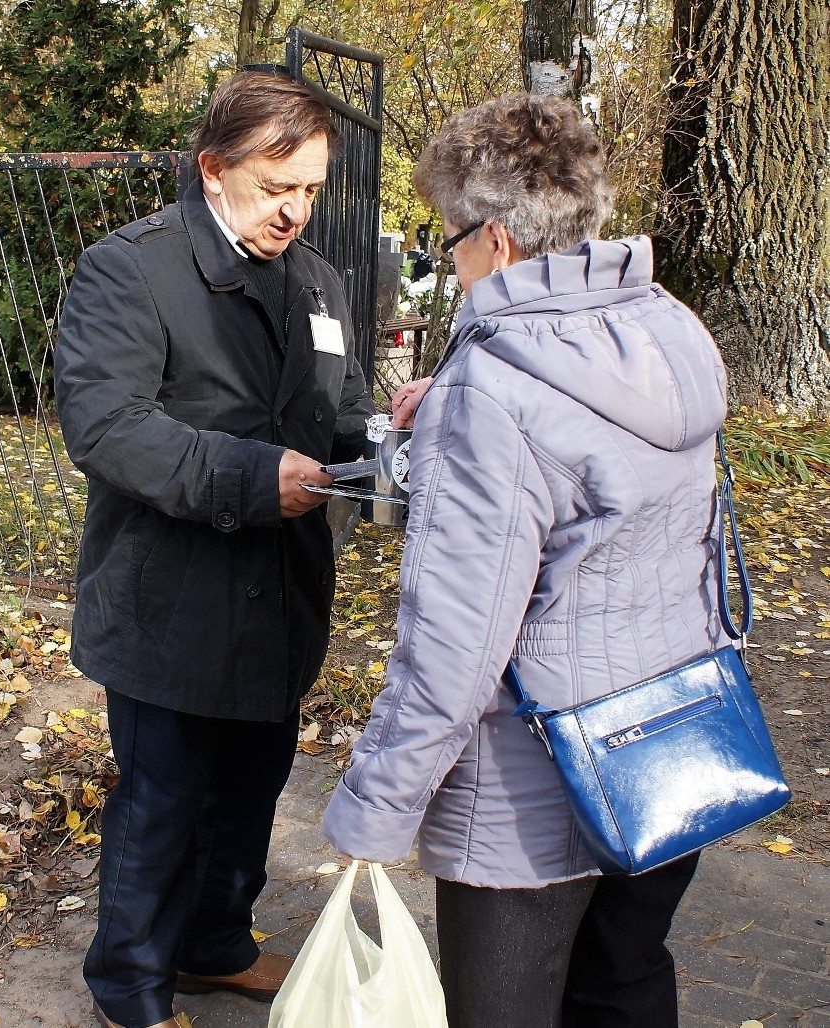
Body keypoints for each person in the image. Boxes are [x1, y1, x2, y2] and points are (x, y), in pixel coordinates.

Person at [323, 93, 728, 1028]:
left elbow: (455, 646)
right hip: (668, 746)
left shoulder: (495, 387)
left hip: (529, 796)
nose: (449, 261)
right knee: (625, 986)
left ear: (495, 241)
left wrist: (373, 811)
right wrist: (457, 410)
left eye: (450, 240)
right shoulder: (666, 327)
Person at [54, 69, 373, 1028]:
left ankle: (215, 948)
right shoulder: (134, 268)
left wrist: (386, 438)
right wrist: (246, 476)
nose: (295, 210)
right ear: (213, 169)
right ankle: (131, 987)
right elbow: (106, 427)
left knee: (249, 788)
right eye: (277, 187)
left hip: (280, 593)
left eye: (311, 189)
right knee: (161, 806)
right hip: (170, 598)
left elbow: (338, 409)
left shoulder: (319, 281)